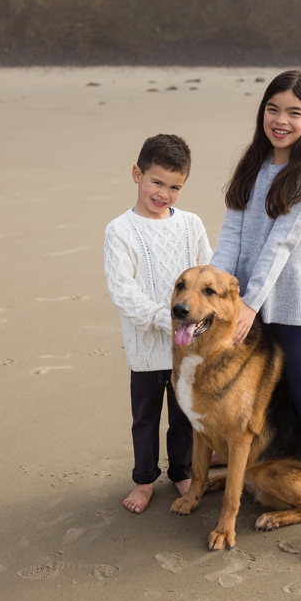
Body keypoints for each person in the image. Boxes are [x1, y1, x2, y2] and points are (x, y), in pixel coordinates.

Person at [212, 70, 301, 560]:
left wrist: (247, 304)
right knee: (251, 405)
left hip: (291, 301)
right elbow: (231, 237)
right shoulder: (252, 164)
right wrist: (220, 297)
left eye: (295, 112)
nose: (281, 120)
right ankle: (237, 476)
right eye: (274, 109)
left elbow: (282, 244)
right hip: (244, 302)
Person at [104, 134, 212, 513]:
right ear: (138, 174)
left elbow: (206, 272)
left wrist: (194, 325)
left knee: (184, 415)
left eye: (175, 187)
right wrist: (167, 322)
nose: (163, 193)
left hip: (189, 346)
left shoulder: (191, 224)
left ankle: (181, 471)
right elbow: (123, 291)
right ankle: (144, 480)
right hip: (147, 348)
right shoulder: (120, 230)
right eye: (156, 182)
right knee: (146, 418)